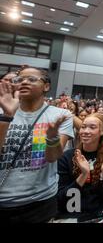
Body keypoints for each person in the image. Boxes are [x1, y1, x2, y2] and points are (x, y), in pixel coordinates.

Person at [0, 66, 74, 223]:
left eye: (32, 79)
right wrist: (7, 116)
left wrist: (52, 137)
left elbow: (53, 157)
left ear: (46, 86)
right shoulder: (2, 111)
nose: (24, 82)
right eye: (19, 79)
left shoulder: (60, 115)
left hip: (40, 201)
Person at [56, 113, 103, 221]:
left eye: (92, 127)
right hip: (72, 211)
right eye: (83, 127)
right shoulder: (67, 156)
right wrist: (83, 175)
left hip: (101, 211)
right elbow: (61, 198)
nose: (85, 131)